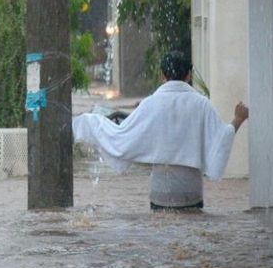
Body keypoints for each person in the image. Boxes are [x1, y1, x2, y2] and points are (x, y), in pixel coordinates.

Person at [73, 51, 249, 210]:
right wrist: (238, 119)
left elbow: (123, 136)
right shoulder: (202, 104)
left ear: (162, 75)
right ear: (189, 75)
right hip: (191, 192)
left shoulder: (151, 104)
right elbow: (221, 139)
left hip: (160, 192)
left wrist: (90, 122)